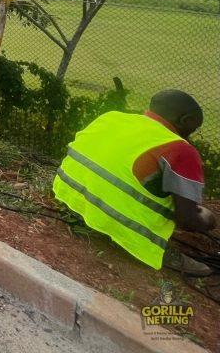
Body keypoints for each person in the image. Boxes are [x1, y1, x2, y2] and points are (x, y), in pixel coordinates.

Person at [53, 89, 217, 276]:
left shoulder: (112, 117)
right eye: (194, 128)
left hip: (69, 199)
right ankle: (157, 250)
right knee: (203, 215)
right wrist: (208, 220)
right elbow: (187, 218)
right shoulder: (181, 150)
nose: (192, 135)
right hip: (126, 231)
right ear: (185, 120)